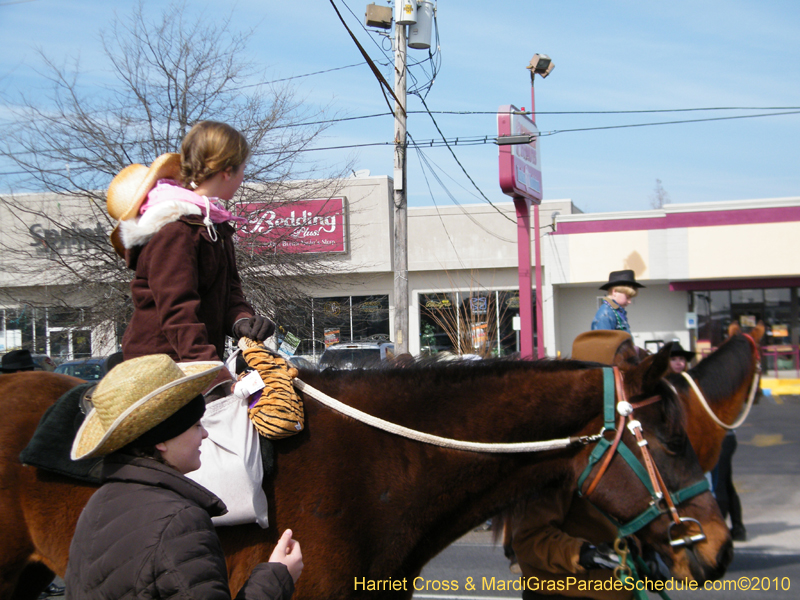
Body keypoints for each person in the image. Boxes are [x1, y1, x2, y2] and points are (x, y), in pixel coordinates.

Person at [65, 354, 302, 599]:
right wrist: (278, 576)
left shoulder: (97, 504)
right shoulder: (181, 522)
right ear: (161, 440)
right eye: (196, 425)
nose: (206, 434)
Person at [106, 121, 275, 396]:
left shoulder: (215, 226)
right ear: (227, 170)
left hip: (191, 366)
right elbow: (178, 311)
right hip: (162, 371)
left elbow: (230, 292)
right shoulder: (175, 229)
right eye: (243, 169)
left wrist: (243, 321)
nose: (244, 176)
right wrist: (213, 375)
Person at [591, 270, 644, 334]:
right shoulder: (606, 314)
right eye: (627, 297)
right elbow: (604, 343)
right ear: (614, 292)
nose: (629, 301)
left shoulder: (617, 312)